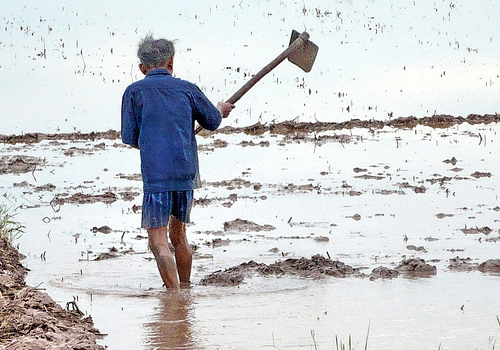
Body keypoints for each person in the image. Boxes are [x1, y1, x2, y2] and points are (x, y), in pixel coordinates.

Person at [121, 35, 235, 289]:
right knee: (178, 235)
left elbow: (130, 137)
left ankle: (175, 298)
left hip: (157, 177)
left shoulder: (134, 93)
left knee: (158, 241)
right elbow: (213, 120)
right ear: (171, 64)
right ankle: (185, 287)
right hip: (186, 174)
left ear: (142, 68)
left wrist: (151, 140)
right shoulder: (187, 89)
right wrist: (220, 108)